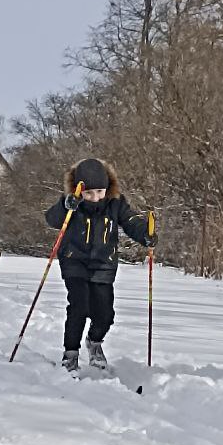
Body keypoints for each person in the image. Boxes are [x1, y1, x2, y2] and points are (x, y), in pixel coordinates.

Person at [44, 157, 156, 372]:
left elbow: (131, 221)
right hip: (74, 261)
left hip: (104, 264)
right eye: (88, 193)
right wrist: (65, 206)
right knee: (79, 306)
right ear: (79, 190)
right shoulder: (72, 203)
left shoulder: (116, 203)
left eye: (99, 192)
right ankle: (71, 353)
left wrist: (146, 235)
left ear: (107, 188)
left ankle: (94, 342)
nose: (95, 198)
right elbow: (52, 219)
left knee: (104, 314)